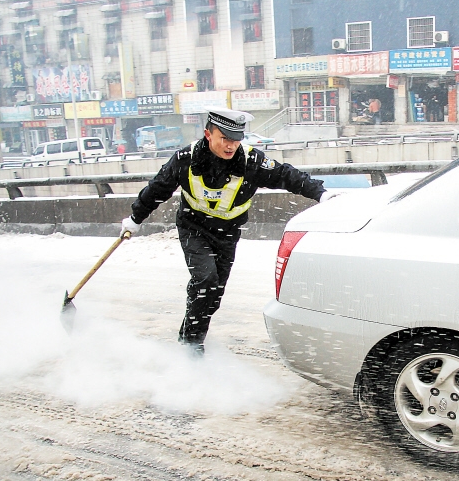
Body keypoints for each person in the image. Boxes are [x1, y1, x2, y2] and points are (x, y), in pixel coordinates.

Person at [120, 108, 339, 355]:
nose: (230, 145)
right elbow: (157, 189)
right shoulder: (185, 159)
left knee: (214, 293)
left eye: (236, 139)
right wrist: (135, 218)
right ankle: (192, 345)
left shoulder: (250, 161)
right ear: (208, 134)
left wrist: (321, 193)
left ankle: (190, 334)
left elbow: (286, 175)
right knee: (205, 280)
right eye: (224, 138)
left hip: (227, 233)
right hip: (194, 227)